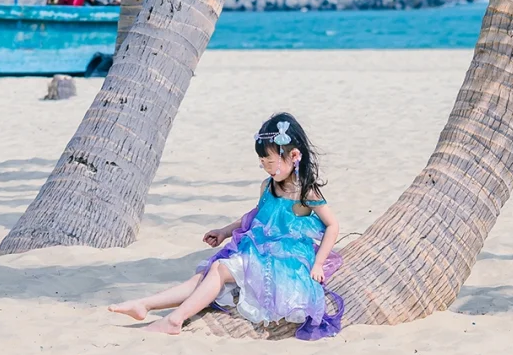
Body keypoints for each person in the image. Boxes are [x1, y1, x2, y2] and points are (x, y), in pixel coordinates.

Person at [109, 113, 344, 338]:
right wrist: (224, 232)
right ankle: (145, 304)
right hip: (259, 251)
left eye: (270, 161)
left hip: (286, 262)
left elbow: (332, 225)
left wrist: (319, 263)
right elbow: (254, 217)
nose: (266, 167)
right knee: (205, 276)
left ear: (294, 156)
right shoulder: (268, 186)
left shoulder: (306, 191)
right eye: (262, 162)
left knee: (220, 269)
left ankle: (174, 320)